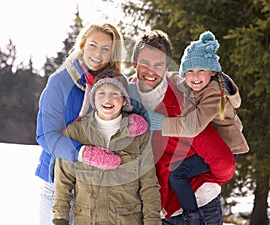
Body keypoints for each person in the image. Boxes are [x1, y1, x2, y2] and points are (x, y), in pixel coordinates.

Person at [128, 30, 236, 225]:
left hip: (199, 201)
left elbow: (224, 163)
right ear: (134, 63)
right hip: (157, 209)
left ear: (167, 66)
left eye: (159, 64)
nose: (151, 70)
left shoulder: (182, 97)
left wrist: (209, 180)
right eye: (145, 63)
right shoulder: (123, 98)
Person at [35, 23, 124, 225]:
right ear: (82, 45)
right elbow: (46, 135)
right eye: (93, 45)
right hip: (56, 181)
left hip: (94, 185)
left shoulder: (116, 84)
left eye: (105, 49)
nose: (98, 54)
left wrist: (133, 121)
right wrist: (85, 153)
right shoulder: (60, 82)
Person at [161, 31, 249, 224]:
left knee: (177, 175)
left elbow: (194, 126)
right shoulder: (193, 84)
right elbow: (175, 78)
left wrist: (160, 124)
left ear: (213, 72)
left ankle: (192, 216)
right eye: (190, 71)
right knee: (178, 174)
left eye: (201, 71)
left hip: (225, 149)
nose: (195, 77)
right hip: (207, 150)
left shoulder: (214, 93)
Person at [52, 73, 162, 225]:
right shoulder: (76, 132)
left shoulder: (139, 137)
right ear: (93, 99)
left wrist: (153, 221)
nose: (107, 98)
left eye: (114, 93)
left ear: (124, 100)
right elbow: (63, 182)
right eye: (101, 93)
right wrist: (60, 219)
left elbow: (149, 185)